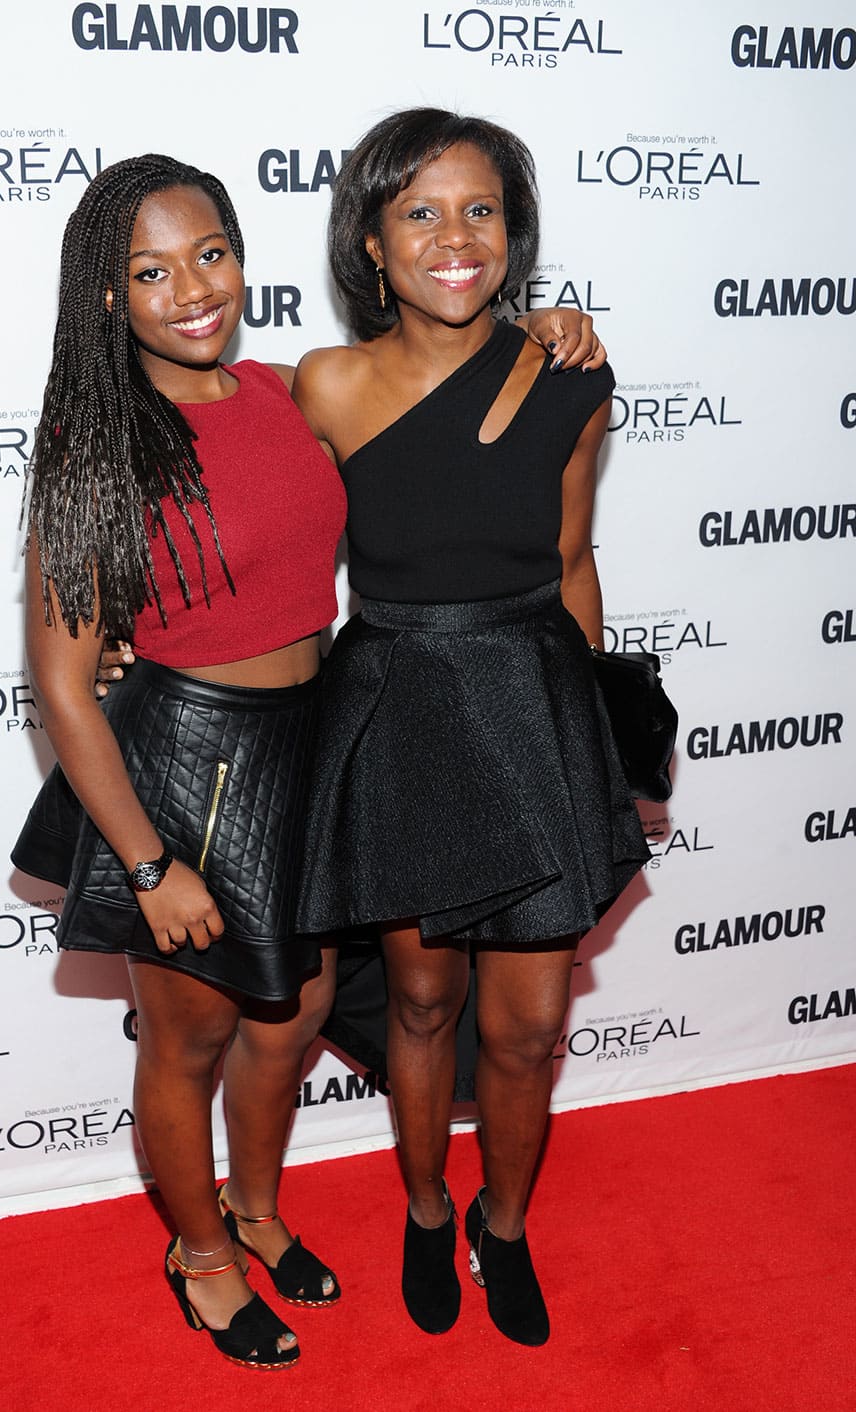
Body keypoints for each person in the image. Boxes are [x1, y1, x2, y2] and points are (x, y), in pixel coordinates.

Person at [14, 150, 600, 1370]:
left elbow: (430, 402)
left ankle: (260, 1209)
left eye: (211, 254)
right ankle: (203, 1257)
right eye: (151, 270)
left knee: (293, 1020)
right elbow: (65, 684)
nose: (192, 288)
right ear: (105, 295)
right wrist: (148, 855)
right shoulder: (95, 446)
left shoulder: (286, 390)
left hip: (315, 741)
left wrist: (543, 325)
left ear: (243, 258)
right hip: (186, 768)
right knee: (187, 1039)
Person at [291, 109, 650, 1347]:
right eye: (421, 213)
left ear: (516, 234)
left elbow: (570, 558)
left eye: (482, 210)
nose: (456, 238)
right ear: (373, 244)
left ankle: (505, 1221)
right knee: (424, 1001)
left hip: (532, 701)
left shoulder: (572, 373)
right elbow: (278, 561)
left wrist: (598, 727)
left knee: (527, 1024)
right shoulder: (325, 385)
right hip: (398, 706)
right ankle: (429, 1208)